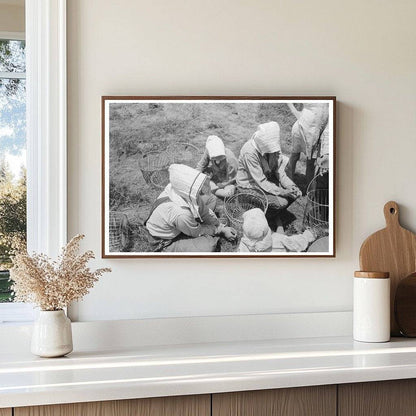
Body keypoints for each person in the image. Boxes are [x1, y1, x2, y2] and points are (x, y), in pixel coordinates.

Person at [145, 164, 237, 252]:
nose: (200, 189)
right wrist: (219, 230)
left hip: (180, 223)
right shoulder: (181, 213)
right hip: (164, 240)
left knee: (211, 199)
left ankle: (193, 226)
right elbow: (196, 232)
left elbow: (204, 211)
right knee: (208, 246)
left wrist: (222, 227)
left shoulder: (179, 190)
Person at [236, 121, 301, 212]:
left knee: (294, 193)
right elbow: (261, 181)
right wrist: (283, 192)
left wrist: (290, 185)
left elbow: (279, 171)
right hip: (250, 185)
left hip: (266, 178)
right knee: (282, 203)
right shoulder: (249, 152)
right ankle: (260, 211)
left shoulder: (274, 149)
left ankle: (271, 210)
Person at [287, 103, 329, 187]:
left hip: (316, 131)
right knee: (294, 155)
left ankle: (309, 189)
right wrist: (295, 112)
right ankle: (288, 183)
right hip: (302, 127)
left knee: (311, 161)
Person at [196, 135, 238, 200]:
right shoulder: (208, 151)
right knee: (200, 180)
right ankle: (211, 188)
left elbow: (232, 178)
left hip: (227, 181)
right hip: (215, 176)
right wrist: (195, 177)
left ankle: (210, 189)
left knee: (228, 193)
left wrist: (222, 184)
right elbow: (201, 165)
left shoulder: (230, 158)